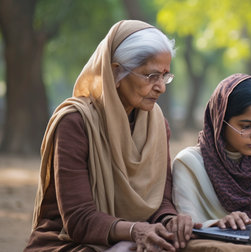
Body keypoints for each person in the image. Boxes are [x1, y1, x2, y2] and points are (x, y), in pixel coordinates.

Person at [25, 20, 199, 252]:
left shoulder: (158, 125)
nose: (161, 87)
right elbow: (78, 219)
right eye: (151, 76)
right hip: (69, 243)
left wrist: (171, 220)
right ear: (116, 71)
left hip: (135, 240)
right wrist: (134, 231)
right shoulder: (75, 123)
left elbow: (161, 202)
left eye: (165, 76)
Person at [171, 73, 251, 230]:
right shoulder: (189, 163)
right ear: (219, 120)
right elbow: (188, 225)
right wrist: (220, 223)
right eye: (246, 126)